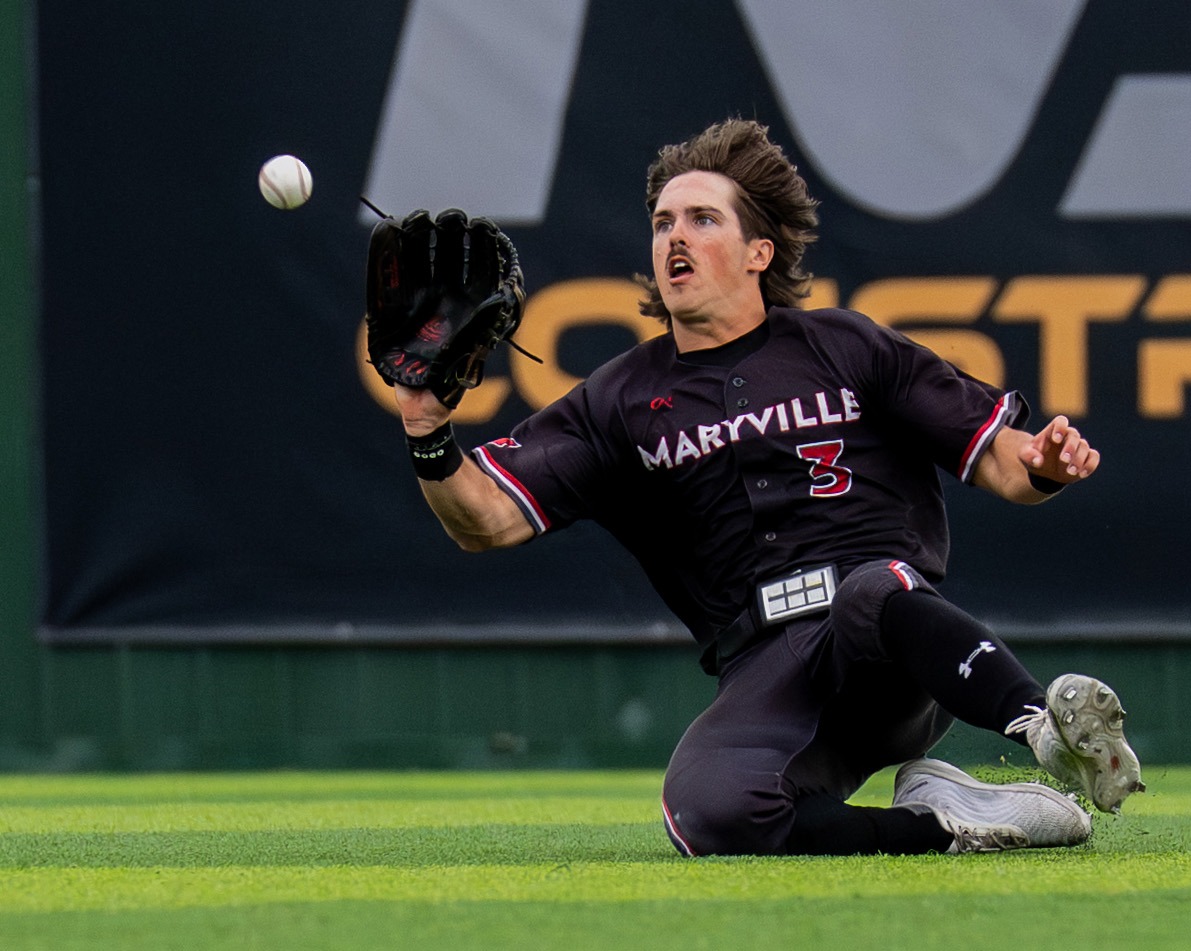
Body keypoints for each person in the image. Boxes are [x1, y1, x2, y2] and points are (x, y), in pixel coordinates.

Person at [390, 118, 1144, 856]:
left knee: (870, 590)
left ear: (760, 250)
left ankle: (1045, 730)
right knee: (706, 815)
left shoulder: (846, 346)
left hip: (888, 648)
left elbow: (1007, 464)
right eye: (661, 222)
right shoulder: (618, 399)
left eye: (701, 218)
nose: (674, 237)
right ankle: (954, 822)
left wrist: (1045, 458)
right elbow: (482, 518)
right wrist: (427, 428)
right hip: (767, 668)